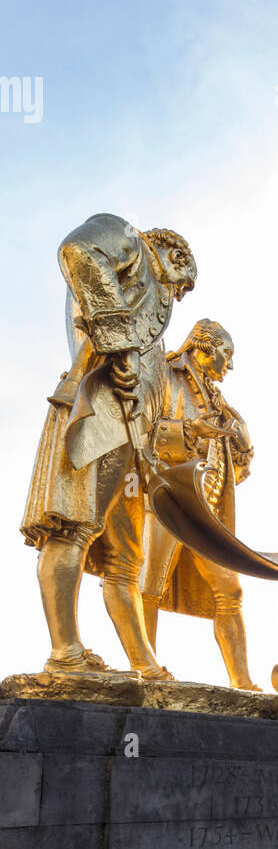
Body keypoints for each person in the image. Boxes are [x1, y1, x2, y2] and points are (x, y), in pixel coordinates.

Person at [21, 214, 197, 678]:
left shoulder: (153, 318)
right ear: (175, 256)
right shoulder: (126, 239)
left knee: (123, 559)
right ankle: (65, 653)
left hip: (130, 435)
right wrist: (118, 347)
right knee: (70, 528)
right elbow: (79, 250)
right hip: (93, 410)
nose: (178, 296)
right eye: (183, 283)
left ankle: (144, 665)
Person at [140, 319, 259, 690]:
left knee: (231, 591)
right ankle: (145, 670)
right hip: (166, 500)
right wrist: (189, 431)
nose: (231, 365)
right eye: (228, 355)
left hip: (207, 514)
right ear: (204, 347)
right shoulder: (164, 376)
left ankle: (242, 682)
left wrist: (242, 446)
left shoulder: (220, 404)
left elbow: (231, 471)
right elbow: (142, 432)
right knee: (148, 584)